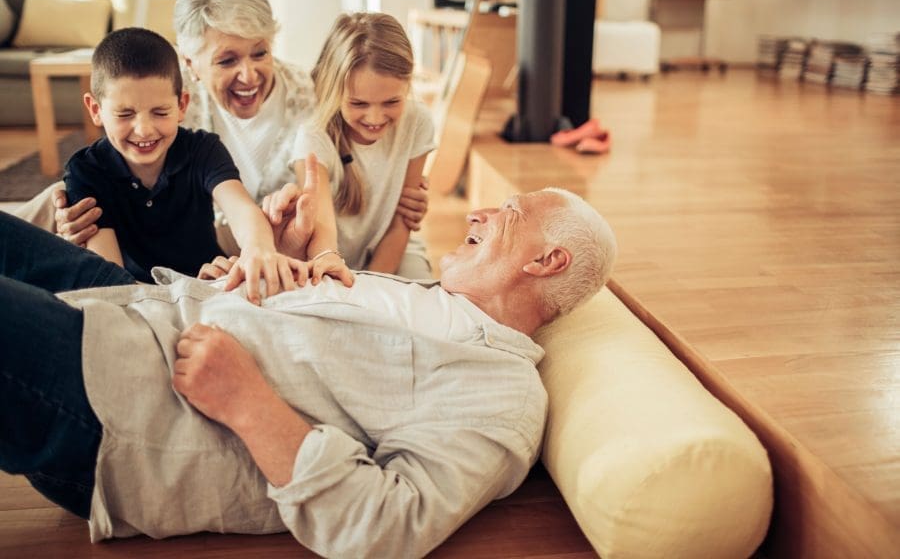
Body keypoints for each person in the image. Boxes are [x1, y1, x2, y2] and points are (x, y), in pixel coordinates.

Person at [0, 187, 617, 558]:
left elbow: (386, 527)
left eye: (507, 212)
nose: (477, 213)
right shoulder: (431, 296)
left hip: (127, 404)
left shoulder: (501, 393)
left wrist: (246, 401)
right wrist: (262, 286)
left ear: (546, 260)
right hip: (147, 306)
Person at [15, 0, 430, 272]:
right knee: (67, 195)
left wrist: (401, 196)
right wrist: (72, 224)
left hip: (268, 236)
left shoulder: (315, 96)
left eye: (260, 53)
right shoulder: (171, 105)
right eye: (227, 60)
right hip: (195, 229)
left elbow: (359, 152)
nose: (249, 75)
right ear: (190, 63)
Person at [61, 26, 321, 303]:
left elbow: (242, 208)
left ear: (182, 105)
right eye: (125, 114)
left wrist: (258, 249)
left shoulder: (203, 149)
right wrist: (181, 290)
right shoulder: (86, 171)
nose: (144, 130)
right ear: (95, 110)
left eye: (160, 112)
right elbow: (112, 285)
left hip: (209, 282)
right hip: (142, 295)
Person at [265, 12, 436, 279]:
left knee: (422, 302)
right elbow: (323, 238)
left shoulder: (419, 122)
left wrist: (375, 285)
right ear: (335, 91)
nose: (375, 118)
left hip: (396, 250)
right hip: (326, 256)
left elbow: (403, 221)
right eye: (358, 104)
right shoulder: (313, 135)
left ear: (408, 86)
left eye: (392, 102)